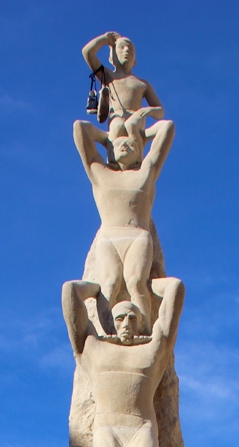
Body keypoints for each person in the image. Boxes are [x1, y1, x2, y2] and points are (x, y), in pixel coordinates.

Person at [62, 276, 184, 447]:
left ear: (142, 322)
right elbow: (70, 292)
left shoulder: (154, 348)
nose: (126, 324)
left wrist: (147, 286)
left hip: (141, 426)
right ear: (111, 322)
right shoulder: (93, 348)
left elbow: (175, 289)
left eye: (132, 318)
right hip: (108, 427)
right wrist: (95, 290)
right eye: (119, 318)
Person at [72, 116, 174, 331]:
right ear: (110, 150)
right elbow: (80, 129)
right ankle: (109, 332)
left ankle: (143, 331)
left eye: (131, 144)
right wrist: (108, 136)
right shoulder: (100, 173)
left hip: (137, 235)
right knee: (108, 285)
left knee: (137, 283)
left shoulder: (146, 172)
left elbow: (167, 127)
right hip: (108, 237)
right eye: (120, 145)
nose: (125, 145)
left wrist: (139, 133)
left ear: (140, 151)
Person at [82, 31, 164, 140]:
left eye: (130, 49)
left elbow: (160, 111)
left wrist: (149, 111)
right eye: (122, 47)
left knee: (156, 126)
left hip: (136, 122)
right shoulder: (108, 76)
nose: (126, 51)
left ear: (135, 61)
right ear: (112, 57)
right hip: (116, 120)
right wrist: (105, 39)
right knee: (117, 127)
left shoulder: (142, 84)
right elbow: (87, 52)